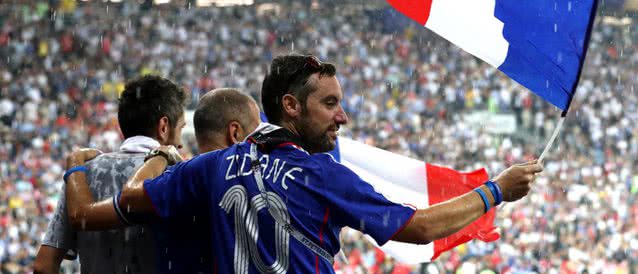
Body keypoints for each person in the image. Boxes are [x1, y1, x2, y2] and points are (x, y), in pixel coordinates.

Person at [66, 54, 543, 273]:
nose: (343, 115)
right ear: (291, 107)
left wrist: (160, 154)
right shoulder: (321, 174)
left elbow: (122, 201)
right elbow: (418, 228)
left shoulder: (211, 169)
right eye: (330, 104)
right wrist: (495, 190)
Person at [64, 88, 262, 274]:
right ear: (235, 133)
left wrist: (159, 155)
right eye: (255, 135)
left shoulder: (185, 179)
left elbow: (85, 214)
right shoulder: (264, 182)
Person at [33, 74, 187, 274]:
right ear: (164, 127)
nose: (181, 143)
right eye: (181, 129)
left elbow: (43, 267)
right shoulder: (179, 173)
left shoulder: (80, 174)